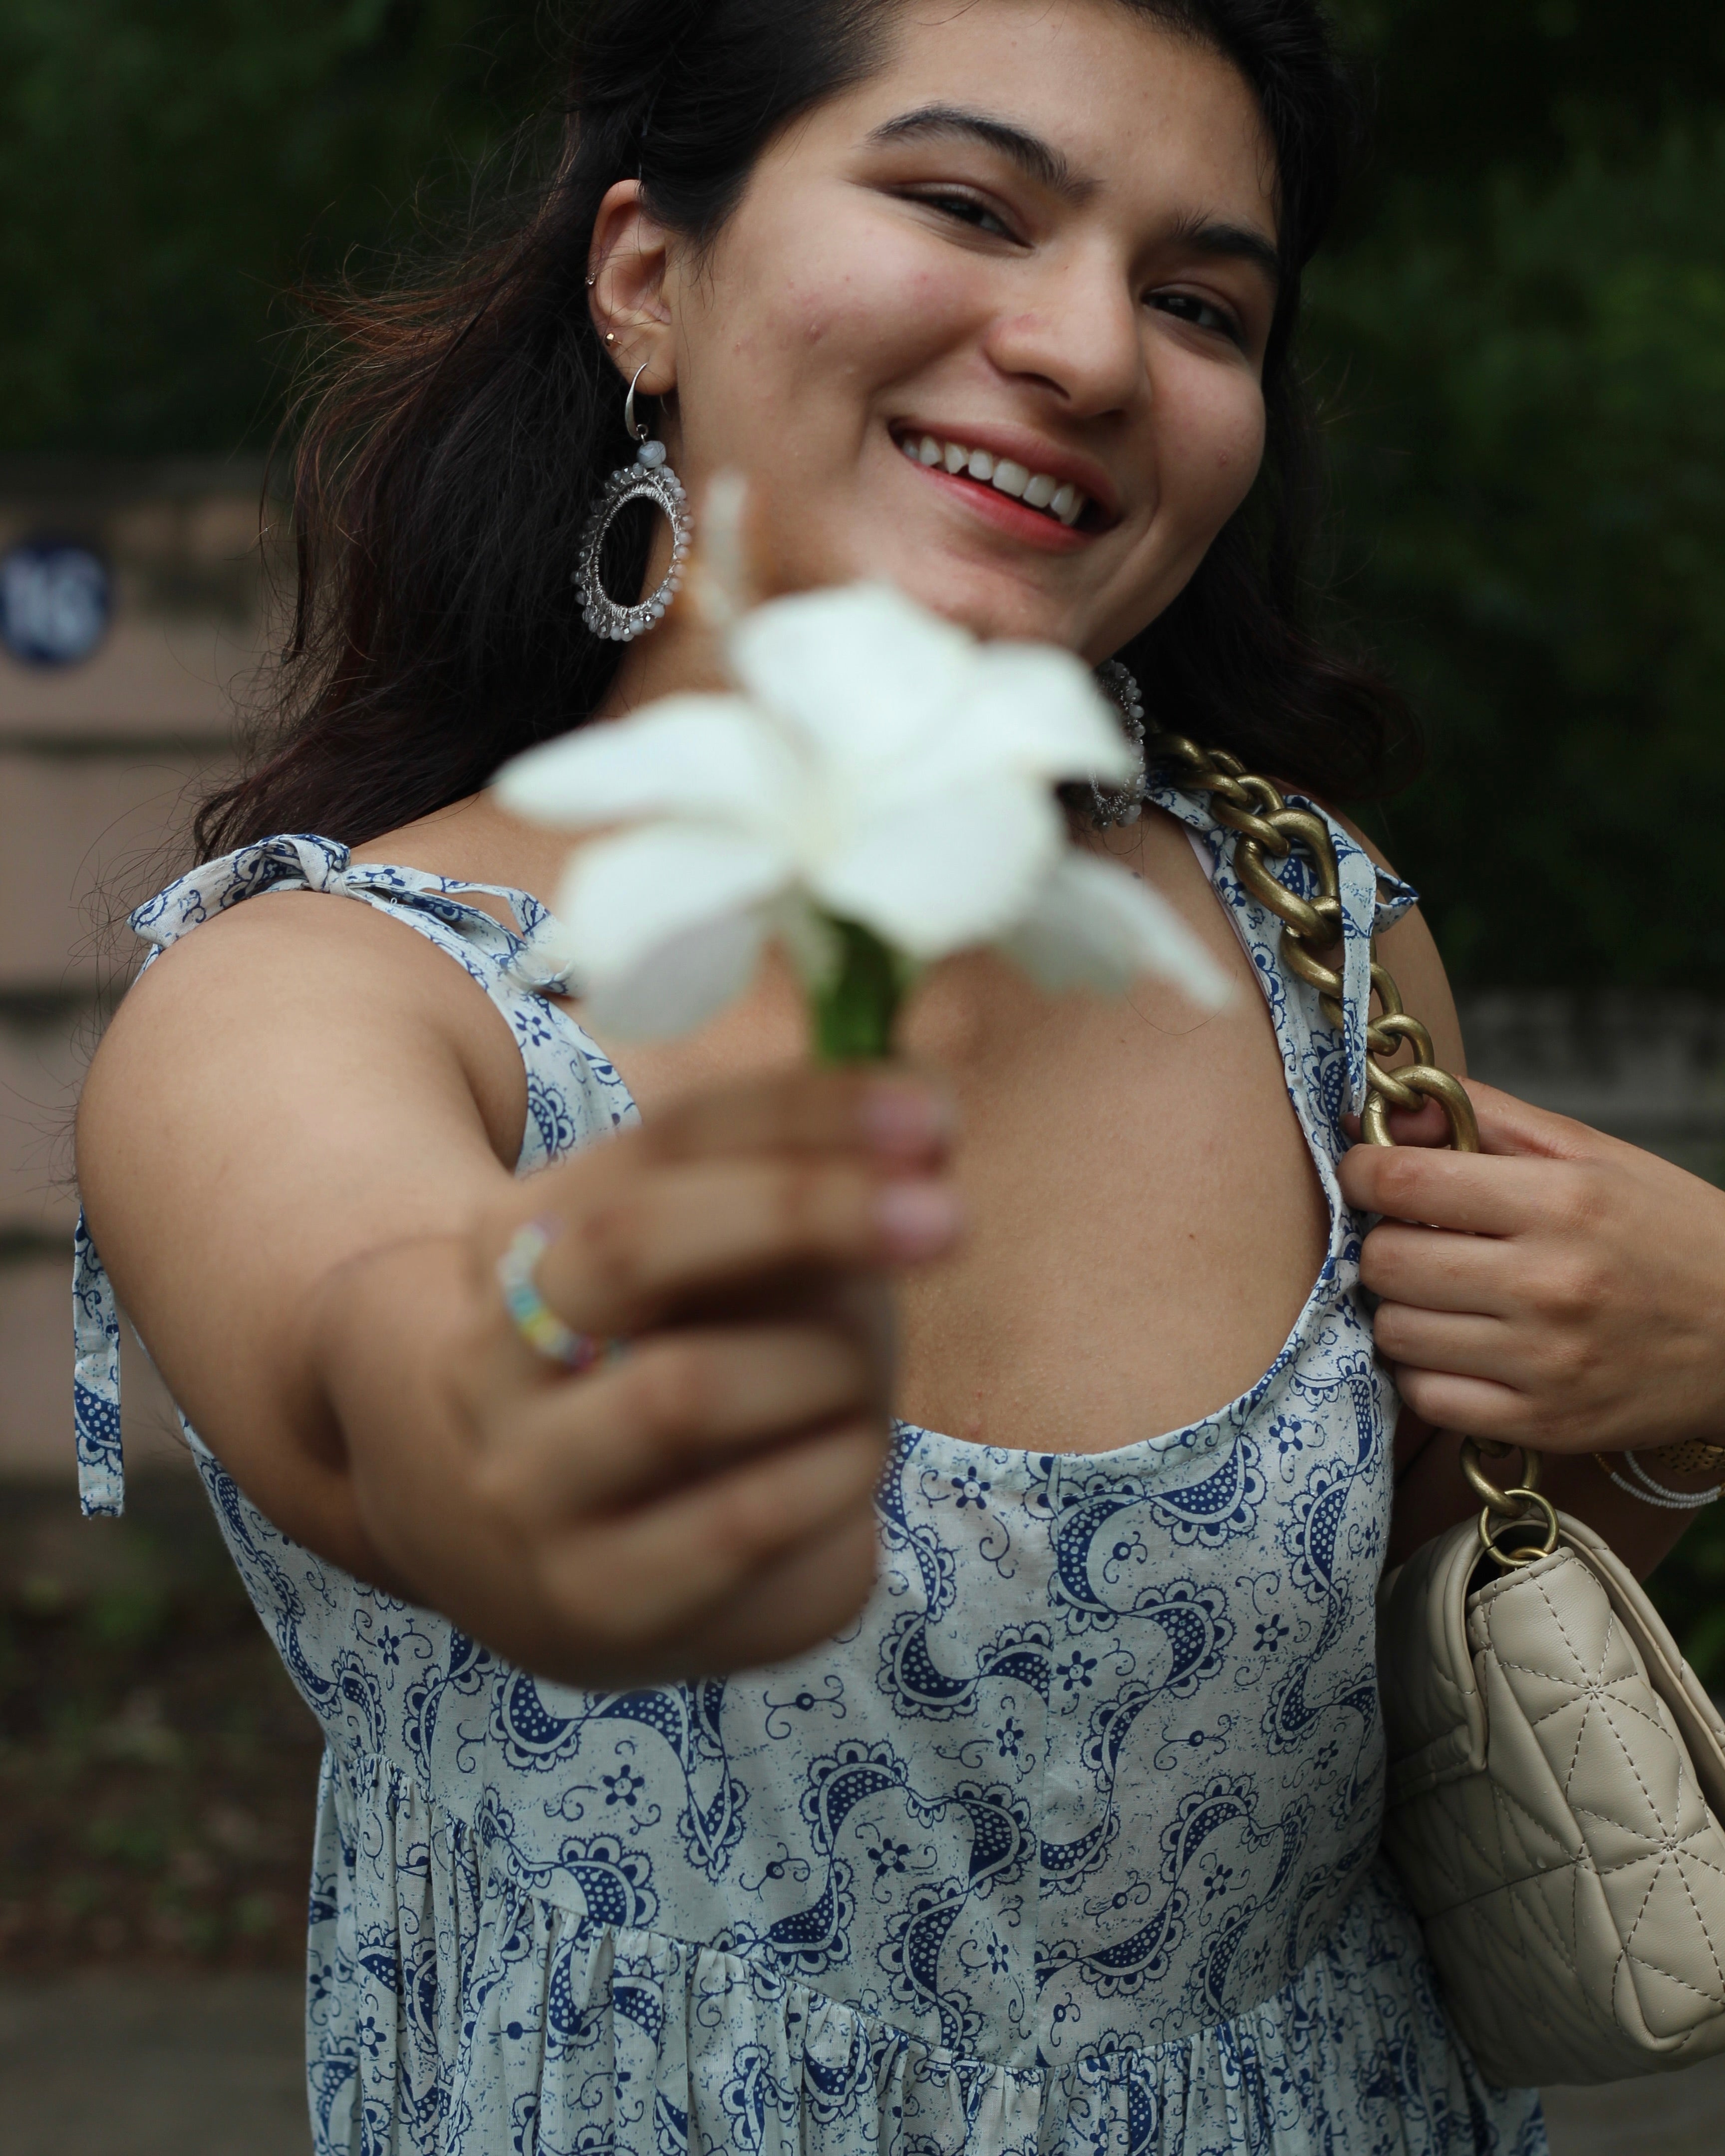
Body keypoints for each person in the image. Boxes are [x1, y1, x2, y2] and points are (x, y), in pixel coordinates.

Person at [70, 2, 1725, 2151]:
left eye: (1201, 300)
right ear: (648, 279)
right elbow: (377, 1338)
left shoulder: (1310, 932)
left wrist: (1682, 1385)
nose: (1092, 349)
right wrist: (516, 1388)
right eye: (966, 203)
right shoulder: (337, 989)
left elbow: (1387, 1654)